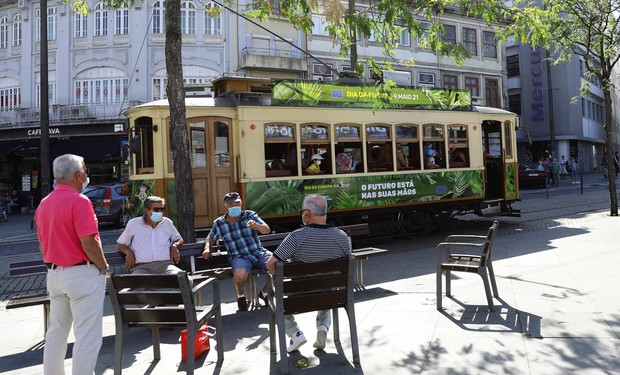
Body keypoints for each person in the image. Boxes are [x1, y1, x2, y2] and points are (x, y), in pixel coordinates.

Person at [34, 154, 108, 374]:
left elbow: (41, 245)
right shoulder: (80, 201)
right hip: (82, 274)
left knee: (57, 332)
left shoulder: (44, 204)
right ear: (77, 175)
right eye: (85, 169)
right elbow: (89, 242)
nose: (86, 174)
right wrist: (103, 267)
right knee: (87, 336)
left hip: (55, 275)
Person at [266, 195, 351, 352]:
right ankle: (323, 328)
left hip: (298, 297)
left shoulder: (296, 237)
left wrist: (277, 278)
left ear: (306, 214)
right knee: (327, 289)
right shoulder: (343, 237)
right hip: (331, 297)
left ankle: (295, 334)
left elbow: (270, 264)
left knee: (275, 300)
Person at [202, 192, 272, 311]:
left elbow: (266, 230)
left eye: (237, 203)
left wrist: (257, 226)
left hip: (258, 253)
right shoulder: (219, 223)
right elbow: (210, 237)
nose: (235, 206)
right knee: (239, 275)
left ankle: (265, 293)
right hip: (239, 257)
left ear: (241, 203)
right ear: (226, 206)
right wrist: (207, 247)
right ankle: (240, 294)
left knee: (279, 265)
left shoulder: (250, 215)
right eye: (231, 204)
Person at [116, 196, 184, 274]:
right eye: (156, 209)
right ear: (147, 210)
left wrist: (174, 246)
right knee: (136, 284)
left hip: (165, 266)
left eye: (161, 209)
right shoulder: (134, 224)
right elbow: (120, 245)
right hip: (141, 267)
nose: (159, 212)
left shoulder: (167, 223)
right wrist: (129, 252)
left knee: (184, 280)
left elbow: (179, 239)